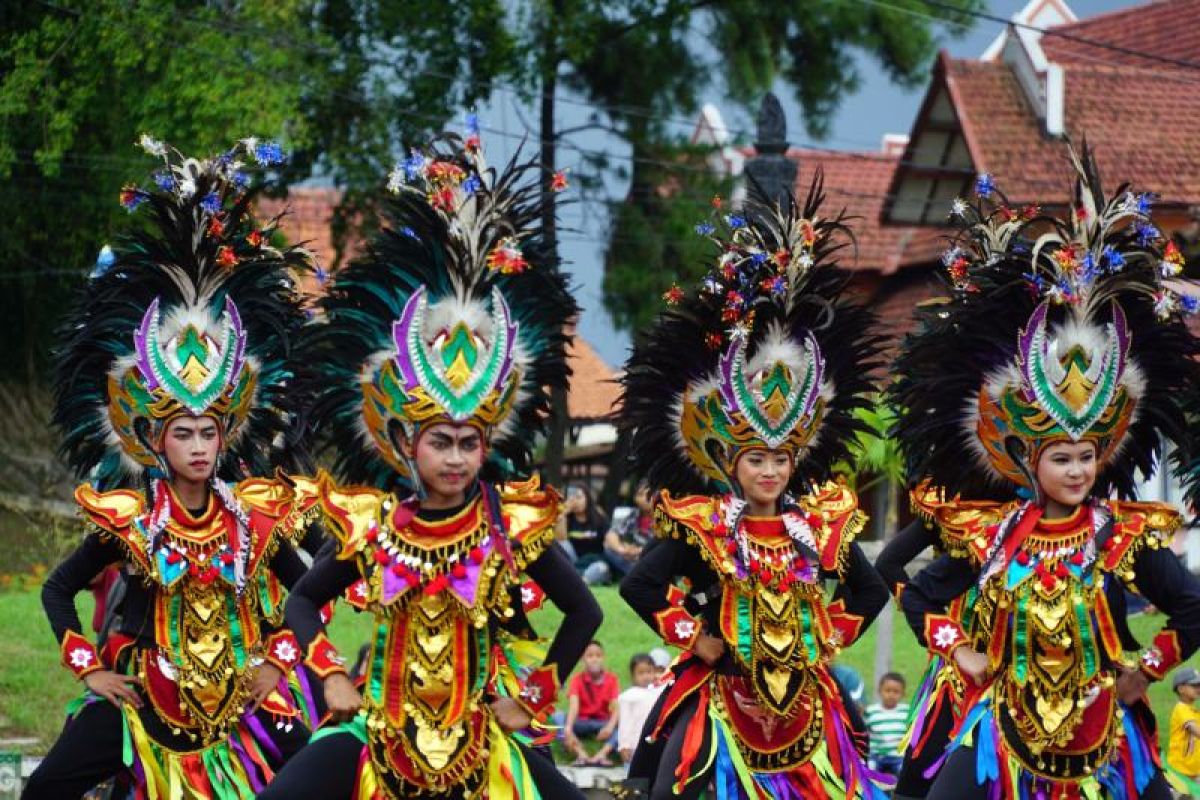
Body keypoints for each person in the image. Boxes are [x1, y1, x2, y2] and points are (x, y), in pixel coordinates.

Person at [259, 128, 601, 800]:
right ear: (405, 443)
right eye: (439, 441)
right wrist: (329, 672)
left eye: (468, 442)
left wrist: (531, 699)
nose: (455, 457)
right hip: (378, 735)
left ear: (487, 445)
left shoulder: (511, 527)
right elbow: (303, 599)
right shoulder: (375, 525)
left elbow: (584, 613)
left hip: (479, 740)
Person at [892, 150, 1200, 800]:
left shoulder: (1120, 537)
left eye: (1088, 456)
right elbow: (917, 595)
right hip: (1003, 733)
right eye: (1062, 457)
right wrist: (960, 652)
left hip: (1104, 738)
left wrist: (1145, 670)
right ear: (1029, 461)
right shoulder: (992, 536)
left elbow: (1194, 608)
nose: (1079, 470)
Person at [23, 137, 318, 798]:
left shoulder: (252, 520)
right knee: (44, 790)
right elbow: (56, 589)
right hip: (143, 711)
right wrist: (87, 670)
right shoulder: (134, 521)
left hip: (242, 715)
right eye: (182, 433)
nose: (197, 446)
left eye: (207, 432)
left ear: (224, 436)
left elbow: (309, 593)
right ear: (157, 441)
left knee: (330, 774)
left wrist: (281, 658)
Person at [616, 184, 891, 800]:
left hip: (806, 698)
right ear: (730, 461)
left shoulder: (819, 524)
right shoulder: (705, 524)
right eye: (756, 460)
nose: (769, 472)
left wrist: (829, 634)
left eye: (781, 460)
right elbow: (639, 585)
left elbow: (870, 590)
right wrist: (696, 639)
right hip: (721, 697)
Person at [562, 641, 621, 766]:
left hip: (602, 722)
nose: (594, 659)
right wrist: (568, 728)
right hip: (581, 722)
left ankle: (602, 755)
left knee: (623, 725)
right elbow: (574, 705)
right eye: (590, 656)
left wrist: (610, 726)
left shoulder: (611, 679)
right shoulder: (577, 679)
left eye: (598, 656)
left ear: (603, 658)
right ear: (583, 659)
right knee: (559, 718)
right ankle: (580, 754)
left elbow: (616, 707)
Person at [557, 483, 611, 584]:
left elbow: (609, 538)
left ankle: (579, 580)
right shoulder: (566, 518)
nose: (575, 502)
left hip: (596, 561)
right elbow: (561, 540)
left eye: (579, 497)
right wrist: (563, 512)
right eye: (572, 498)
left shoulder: (598, 514)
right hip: (574, 561)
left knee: (600, 568)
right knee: (562, 544)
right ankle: (576, 578)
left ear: (587, 498)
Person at [602, 483, 655, 579]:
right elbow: (612, 533)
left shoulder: (664, 517)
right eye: (640, 495)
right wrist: (622, 550)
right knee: (608, 548)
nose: (645, 498)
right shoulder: (633, 515)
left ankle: (637, 575)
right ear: (635, 498)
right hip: (632, 558)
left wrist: (638, 551)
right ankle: (639, 576)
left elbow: (662, 545)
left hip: (651, 556)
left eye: (650, 494)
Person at [617, 654, 662, 765]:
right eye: (641, 673)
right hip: (634, 745)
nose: (646, 676)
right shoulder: (628, 697)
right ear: (633, 675)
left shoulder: (658, 692)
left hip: (655, 743)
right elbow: (624, 723)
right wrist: (624, 745)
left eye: (649, 672)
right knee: (634, 776)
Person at [865, 673, 909, 776]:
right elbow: (864, 731)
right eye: (887, 691)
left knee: (903, 771)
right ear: (880, 691)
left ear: (902, 694)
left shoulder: (906, 711)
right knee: (870, 768)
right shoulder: (871, 711)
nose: (891, 695)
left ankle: (896, 791)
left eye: (896, 692)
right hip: (877, 755)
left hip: (898, 755)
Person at [1166, 667, 1200, 797]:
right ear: (1181, 689)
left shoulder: (1193, 711)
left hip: (1194, 771)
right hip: (1178, 773)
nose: (1198, 689)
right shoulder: (1181, 709)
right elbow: (1195, 730)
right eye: (1194, 685)